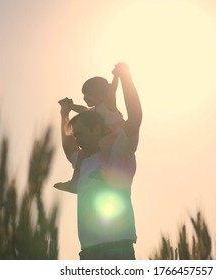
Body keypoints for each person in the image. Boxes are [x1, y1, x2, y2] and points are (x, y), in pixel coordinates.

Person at [56, 63, 142, 260]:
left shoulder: (119, 151)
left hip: (117, 250)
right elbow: (69, 148)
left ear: (96, 128)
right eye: (75, 135)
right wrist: (64, 114)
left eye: (81, 134)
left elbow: (135, 117)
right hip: (88, 253)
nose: (77, 139)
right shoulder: (84, 159)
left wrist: (123, 76)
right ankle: (74, 183)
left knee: (106, 147)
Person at [55, 69, 124, 191]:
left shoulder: (108, 104)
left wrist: (117, 76)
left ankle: (104, 170)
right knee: (82, 155)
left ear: (101, 94)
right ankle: (74, 182)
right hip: (104, 140)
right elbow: (83, 110)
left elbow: (112, 89)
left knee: (104, 144)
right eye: (84, 95)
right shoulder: (94, 111)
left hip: (115, 136)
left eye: (89, 95)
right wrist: (70, 107)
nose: (85, 98)